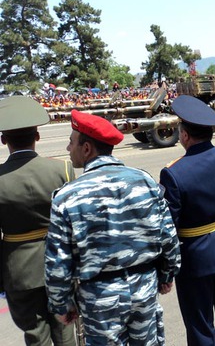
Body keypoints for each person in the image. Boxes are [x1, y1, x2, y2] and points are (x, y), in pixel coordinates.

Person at [44, 110, 181, 345]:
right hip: (144, 286)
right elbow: (168, 236)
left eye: (71, 142)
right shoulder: (145, 181)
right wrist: (167, 274)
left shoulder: (67, 197)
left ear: (87, 149)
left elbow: (58, 262)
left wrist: (61, 303)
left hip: (99, 297)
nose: (68, 149)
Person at [159, 95, 215, 346]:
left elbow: (168, 228)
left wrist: (166, 268)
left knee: (200, 327)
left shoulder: (173, 172)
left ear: (185, 135)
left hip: (194, 259)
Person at [0, 96, 76, 346]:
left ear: (3, 140)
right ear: (38, 136)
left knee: (35, 335)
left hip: (18, 268)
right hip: (61, 264)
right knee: (66, 333)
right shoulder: (62, 170)